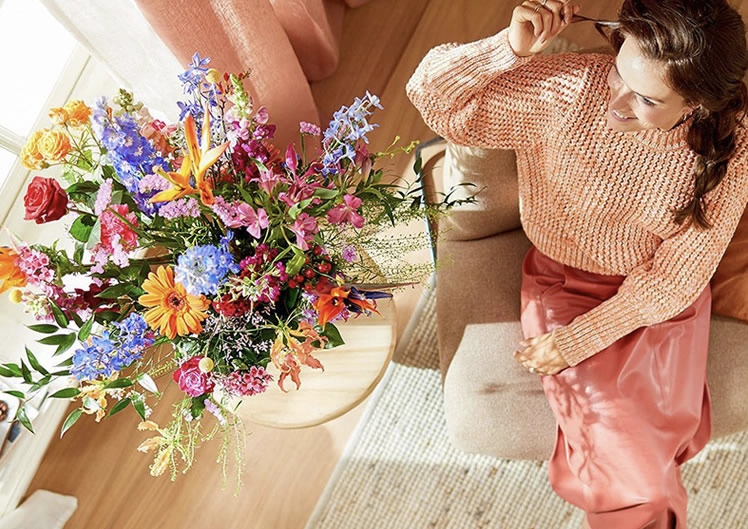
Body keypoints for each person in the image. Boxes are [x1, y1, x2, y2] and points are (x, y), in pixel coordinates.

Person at [406, 0, 748, 527]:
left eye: (646, 98)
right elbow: (434, 99)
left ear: (697, 105)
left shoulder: (732, 145)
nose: (616, 103)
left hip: (659, 305)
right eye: (619, 72)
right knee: (634, 466)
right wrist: (508, 47)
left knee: (645, 452)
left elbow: (678, 276)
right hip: (564, 284)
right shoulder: (567, 92)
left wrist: (578, 342)